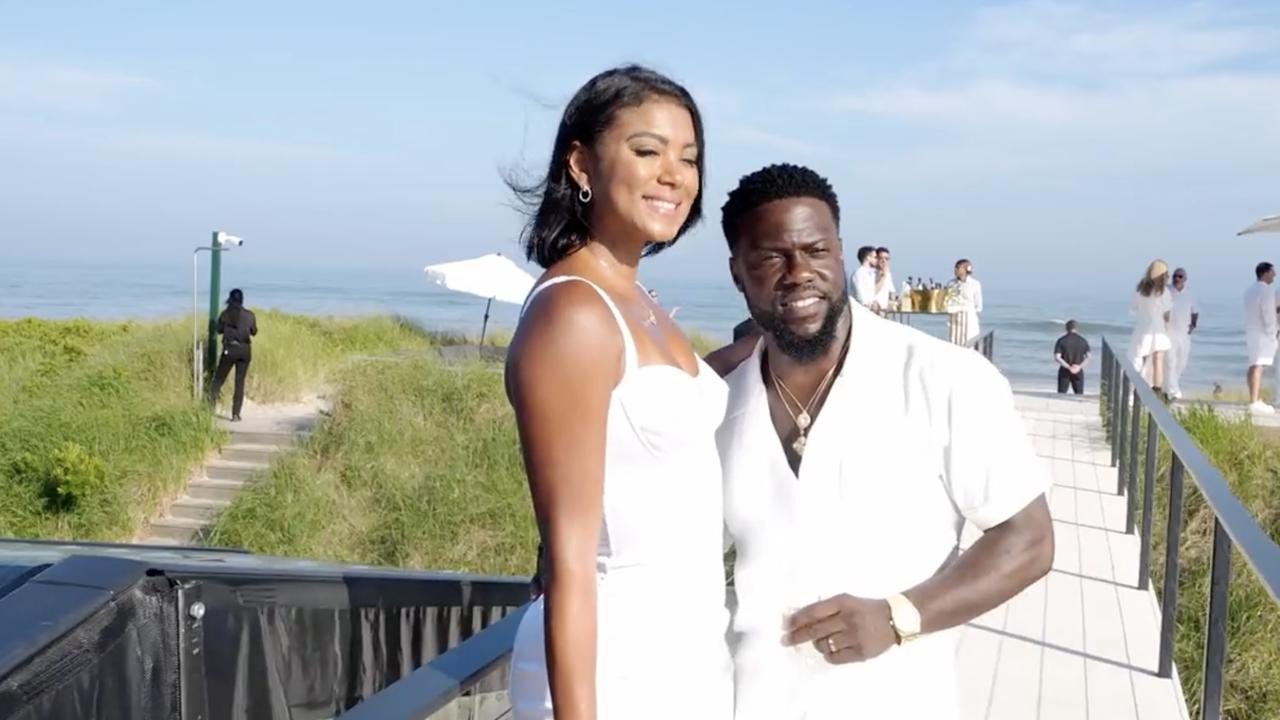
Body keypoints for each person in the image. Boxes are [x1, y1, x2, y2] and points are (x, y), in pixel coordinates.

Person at [712, 164, 1053, 720]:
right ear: (738, 272)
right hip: (752, 700)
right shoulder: (716, 401)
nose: (800, 272)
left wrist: (899, 617)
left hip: (900, 700)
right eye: (772, 257)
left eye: (817, 250)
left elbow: (1029, 538)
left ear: (842, 254)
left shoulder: (944, 378)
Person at [503, 65, 732, 720]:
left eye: (688, 158)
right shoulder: (574, 313)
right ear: (581, 164)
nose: (674, 175)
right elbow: (570, 560)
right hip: (611, 671)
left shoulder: (641, 304)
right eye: (647, 151)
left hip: (684, 661)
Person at [210, 288, 256, 421]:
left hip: (229, 349)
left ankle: (209, 407)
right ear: (242, 300)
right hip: (245, 350)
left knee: (219, 380)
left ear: (230, 299)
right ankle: (235, 414)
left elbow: (218, 330)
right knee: (239, 382)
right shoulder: (249, 315)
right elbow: (254, 331)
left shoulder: (225, 314)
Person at [1128, 260, 1173, 396]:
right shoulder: (1163, 292)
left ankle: (1136, 387)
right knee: (1157, 360)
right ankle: (1157, 391)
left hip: (1143, 328)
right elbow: (1167, 311)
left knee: (1140, 359)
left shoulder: (1141, 289)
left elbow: (1134, 306)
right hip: (1158, 330)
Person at [1243, 261, 1277, 415]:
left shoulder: (1249, 290)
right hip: (1262, 333)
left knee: (1253, 365)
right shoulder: (1266, 291)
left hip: (1251, 332)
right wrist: (1273, 333)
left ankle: (1253, 399)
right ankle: (1254, 401)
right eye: (1272, 272)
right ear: (1265, 273)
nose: (1275, 275)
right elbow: (1268, 314)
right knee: (1258, 366)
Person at [1165, 267, 1198, 400]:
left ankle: (1172, 385)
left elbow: (1195, 312)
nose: (1177, 279)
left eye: (1180, 276)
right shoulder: (1166, 292)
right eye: (1175, 276)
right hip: (1169, 333)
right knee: (1170, 361)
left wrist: (1193, 325)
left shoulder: (1190, 295)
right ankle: (1172, 390)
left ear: (1185, 279)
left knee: (1182, 362)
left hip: (1184, 334)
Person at [1053, 320, 1091, 394]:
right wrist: (1079, 367)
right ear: (1076, 328)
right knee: (1079, 395)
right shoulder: (1083, 341)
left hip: (1064, 370)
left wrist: (1069, 367)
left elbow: (1057, 357)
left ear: (1066, 328)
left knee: (1061, 394)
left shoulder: (1061, 340)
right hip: (1078, 370)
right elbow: (1088, 357)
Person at [951, 258, 983, 344]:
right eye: (955, 267)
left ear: (966, 269)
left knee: (969, 343)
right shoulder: (951, 284)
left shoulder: (975, 284)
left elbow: (978, 305)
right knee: (954, 342)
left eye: (958, 267)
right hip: (954, 319)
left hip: (969, 319)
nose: (955, 270)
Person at [850, 245, 880, 310]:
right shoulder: (858, 274)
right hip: (862, 310)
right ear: (868, 257)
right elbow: (860, 293)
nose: (876, 260)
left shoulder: (872, 274)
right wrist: (866, 305)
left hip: (871, 310)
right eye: (875, 257)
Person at [874, 246, 893, 310]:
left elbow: (892, 293)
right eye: (881, 258)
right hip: (872, 311)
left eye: (886, 259)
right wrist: (883, 277)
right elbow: (871, 292)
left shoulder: (888, 274)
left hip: (884, 311)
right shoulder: (870, 273)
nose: (884, 261)